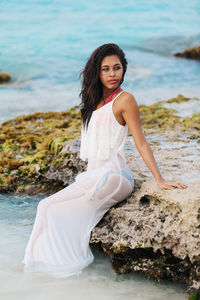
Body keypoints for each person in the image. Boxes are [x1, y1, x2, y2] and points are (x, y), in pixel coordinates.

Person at [20, 43, 187, 277]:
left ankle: (45, 266)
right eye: (106, 69)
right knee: (49, 208)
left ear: (124, 70)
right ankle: (37, 265)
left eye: (117, 68)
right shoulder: (92, 101)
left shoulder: (125, 100)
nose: (112, 74)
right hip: (96, 175)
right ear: (97, 72)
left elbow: (141, 142)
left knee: (47, 206)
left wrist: (159, 180)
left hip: (115, 177)